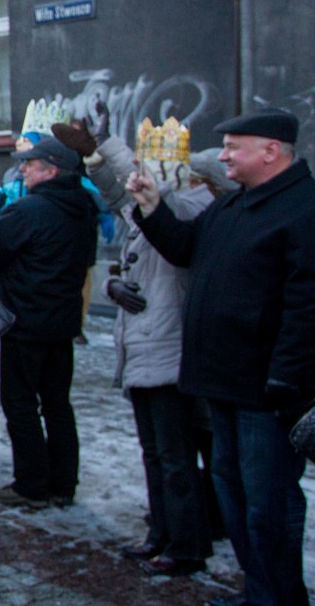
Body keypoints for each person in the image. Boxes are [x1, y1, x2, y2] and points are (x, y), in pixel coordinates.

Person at [127, 108, 314, 606]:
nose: (223, 155)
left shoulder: (303, 209)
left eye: (234, 146)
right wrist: (151, 208)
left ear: (271, 151)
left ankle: (282, 599)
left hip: (267, 392)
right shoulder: (235, 205)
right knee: (233, 496)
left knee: (268, 506)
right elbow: (186, 248)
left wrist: (287, 379)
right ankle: (259, 594)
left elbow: (307, 306)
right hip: (220, 382)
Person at [74, 116, 214, 577]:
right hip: (144, 345)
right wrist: (98, 153)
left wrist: (110, 149)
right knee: (154, 452)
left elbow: (148, 205)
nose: (143, 174)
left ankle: (187, 545)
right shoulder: (158, 205)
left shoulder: (189, 206)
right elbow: (121, 195)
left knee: (175, 457)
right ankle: (162, 532)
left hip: (167, 348)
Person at [0, 136, 97, 509]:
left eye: (30, 163)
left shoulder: (30, 210)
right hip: (62, 321)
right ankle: (63, 483)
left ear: (52, 169)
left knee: (21, 403)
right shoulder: (84, 208)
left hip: (27, 321)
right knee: (58, 404)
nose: (22, 169)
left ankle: (31, 483)